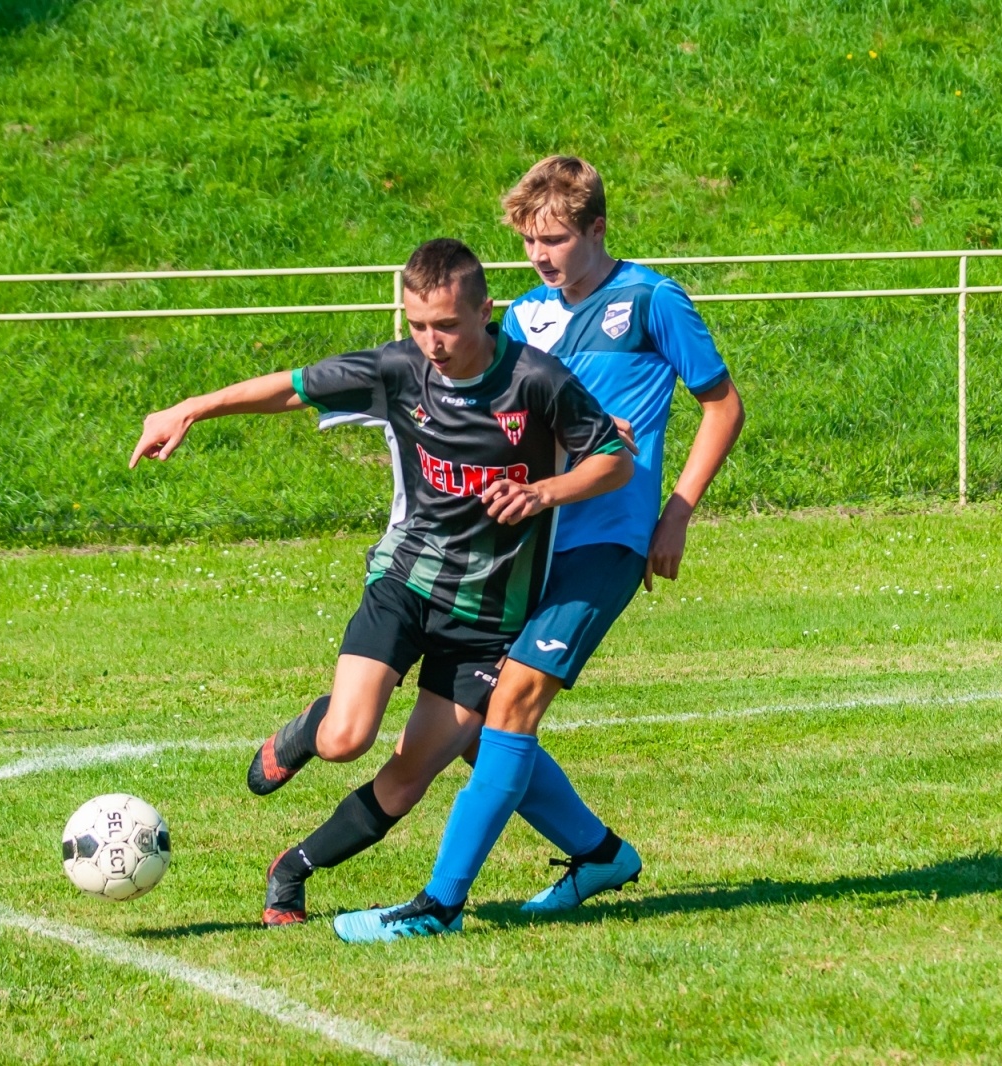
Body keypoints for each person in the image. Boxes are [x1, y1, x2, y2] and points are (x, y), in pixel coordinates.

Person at [127, 237, 634, 927]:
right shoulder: (399, 370)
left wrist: (543, 492)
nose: (432, 342)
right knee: (345, 739)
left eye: (447, 325)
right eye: (418, 324)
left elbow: (613, 460)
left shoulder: (536, 380)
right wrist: (191, 407)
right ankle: (314, 725)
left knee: (408, 776)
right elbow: (292, 387)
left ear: (486, 310)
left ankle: (293, 869)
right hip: (407, 582)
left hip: (489, 619)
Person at [334, 156, 744, 942]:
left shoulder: (651, 301)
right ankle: (600, 855)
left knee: (514, 702)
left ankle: (439, 906)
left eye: (554, 240)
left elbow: (723, 407)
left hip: (607, 537)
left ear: (598, 229)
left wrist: (676, 513)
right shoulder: (523, 316)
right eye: (528, 241)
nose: (539, 256)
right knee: (473, 721)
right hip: (525, 544)